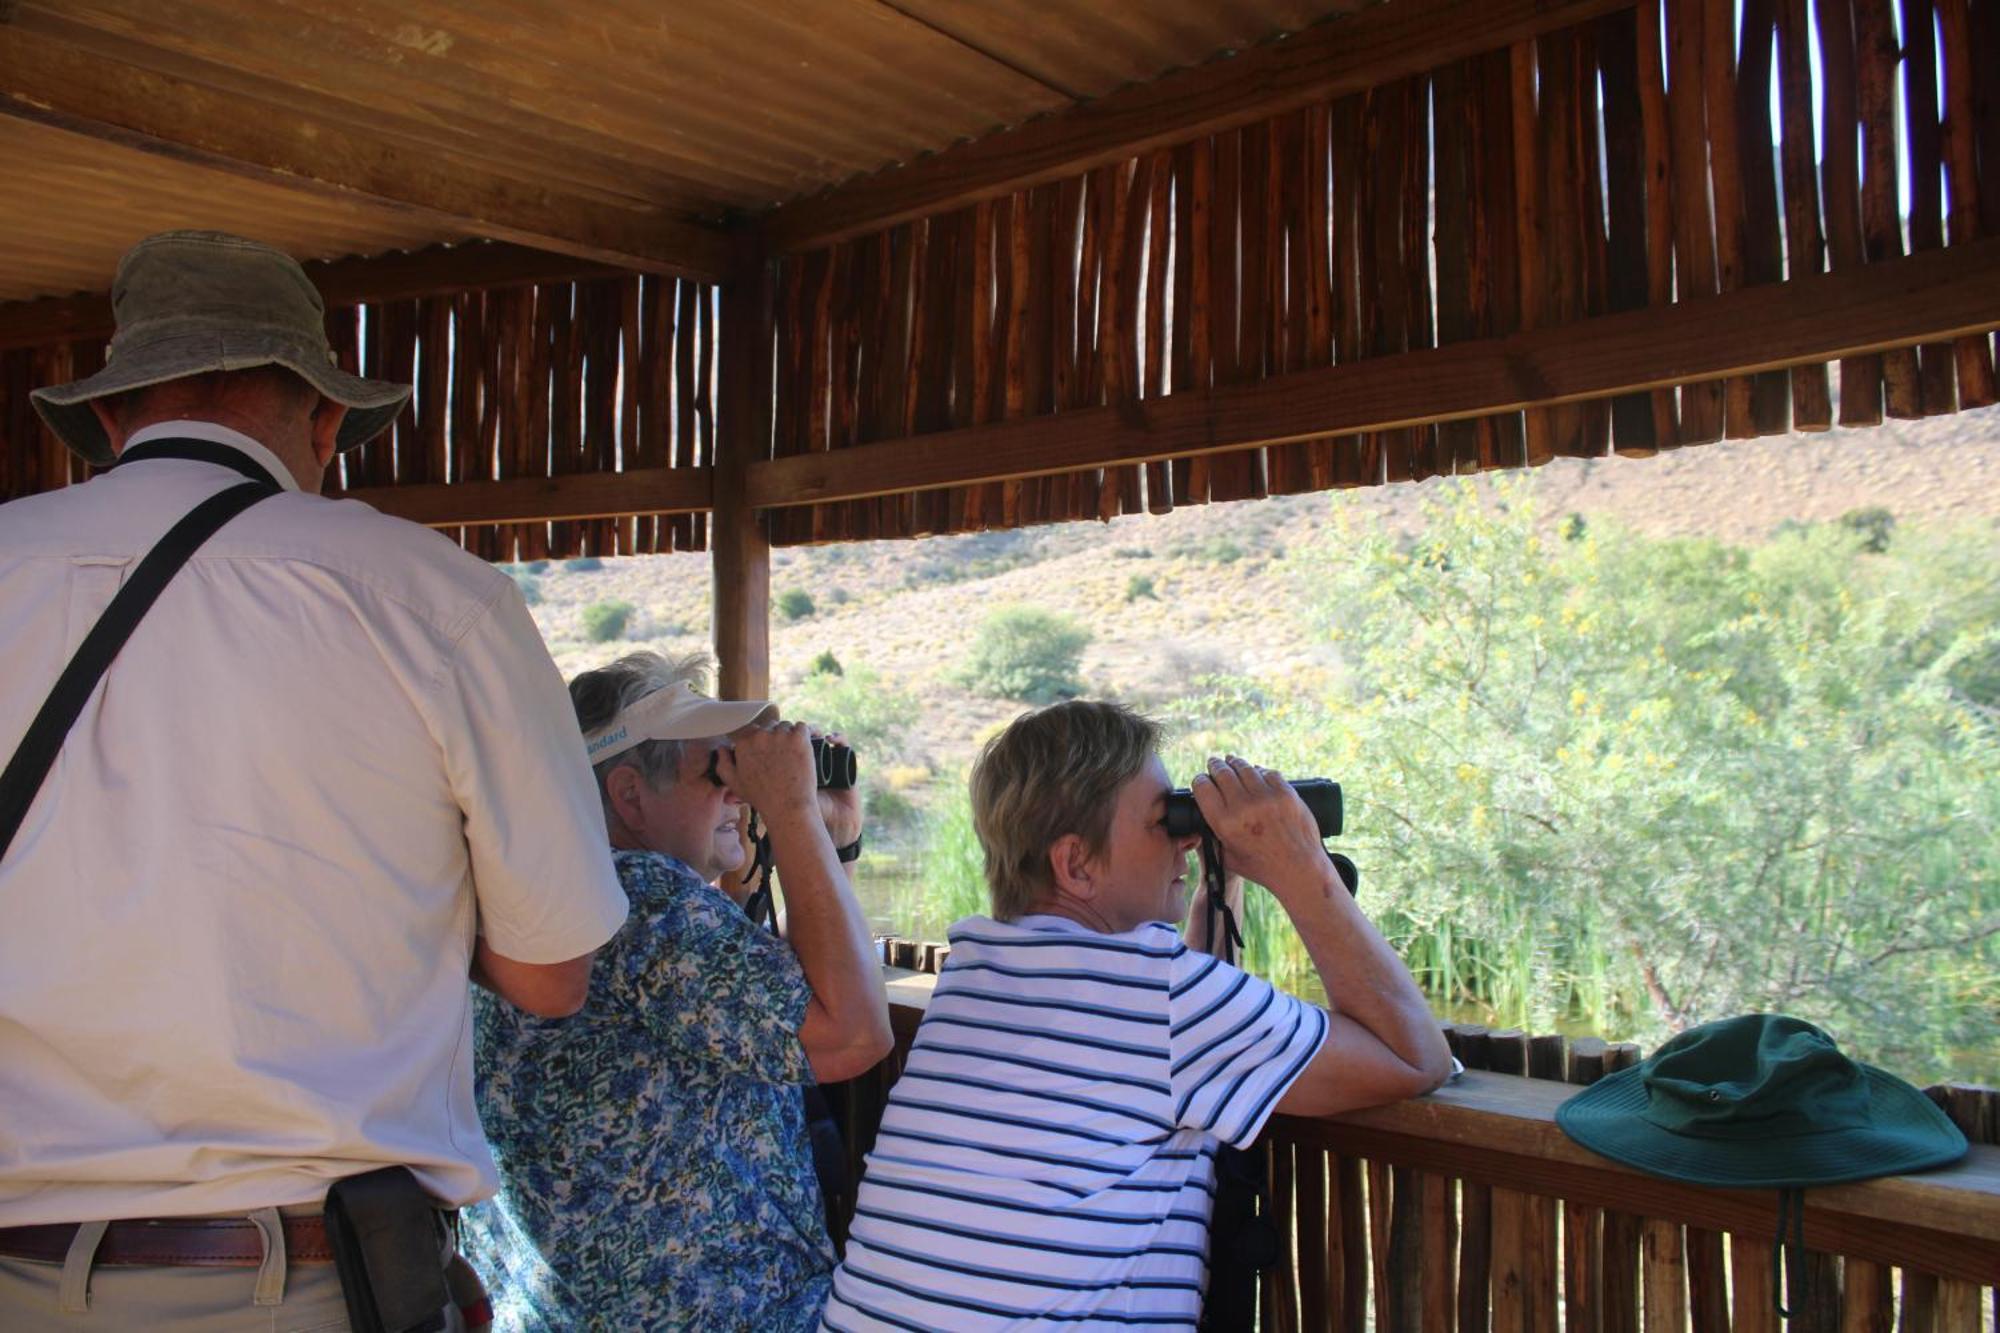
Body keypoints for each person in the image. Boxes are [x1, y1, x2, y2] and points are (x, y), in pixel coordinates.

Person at [0, 231, 631, 1330]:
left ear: (109, 417)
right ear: (326, 420)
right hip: (300, 1276)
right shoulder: (431, 598)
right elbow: (549, 976)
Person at [821, 700, 1454, 1331]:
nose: (1185, 835)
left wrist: (1219, 877)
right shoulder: (1166, 997)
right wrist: (1300, 866)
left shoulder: (976, 970)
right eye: (1165, 821)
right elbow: (1411, 1056)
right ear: (1077, 864)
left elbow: (1171, 1039)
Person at [466, 652, 894, 1332]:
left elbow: (769, 994)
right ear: (630, 794)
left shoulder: (542, 900)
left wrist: (825, 843)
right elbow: (853, 1033)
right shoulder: (640, 899)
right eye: (717, 769)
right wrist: (789, 812)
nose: (739, 792)